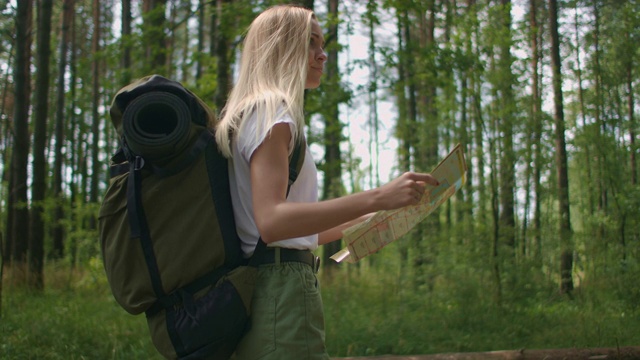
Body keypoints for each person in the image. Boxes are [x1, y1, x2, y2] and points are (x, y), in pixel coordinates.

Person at [215, 4, 439, 360]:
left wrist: (371, 222)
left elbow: (296, 232)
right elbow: (272, 222)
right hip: (281, 291)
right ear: (280, 47)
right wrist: (379, 196)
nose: (323, 54)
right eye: (311, 43)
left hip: (269, 285)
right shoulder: (273, 111)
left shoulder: (256, 111)